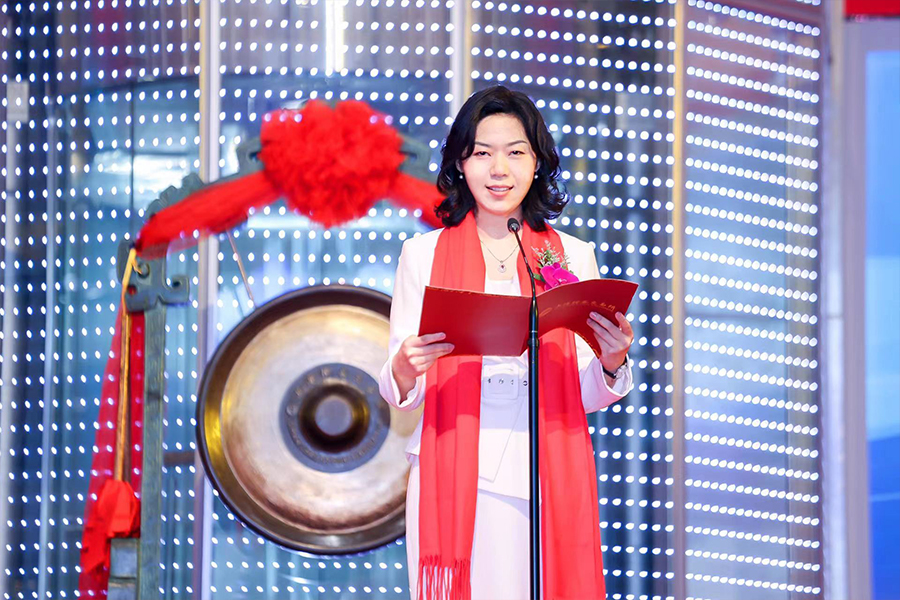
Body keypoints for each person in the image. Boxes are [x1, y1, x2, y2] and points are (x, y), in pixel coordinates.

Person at [378, 85, 635, 600]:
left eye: (516, 152)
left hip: (542, 461)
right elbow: (401, 386)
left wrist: (611, 362)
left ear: (537, 162)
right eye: (482, 153)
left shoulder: (574, 256)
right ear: (460, 163)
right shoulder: (421, 254)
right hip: (453, 461)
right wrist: (404, 367)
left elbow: (585, 392)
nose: (499, 170)